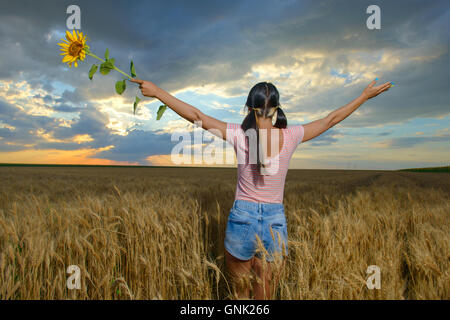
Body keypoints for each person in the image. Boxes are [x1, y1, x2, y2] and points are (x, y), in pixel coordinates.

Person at [131, 77, 392, 299]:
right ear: (277, 108)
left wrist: (157, 93)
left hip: (241, 219)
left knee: (240, 299)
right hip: (274, 223)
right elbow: (331, 120)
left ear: (248, 107)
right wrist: (364, 96)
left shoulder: (237, 133)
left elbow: (197, 116)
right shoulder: (291, 135)